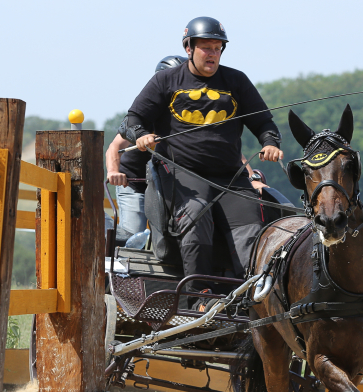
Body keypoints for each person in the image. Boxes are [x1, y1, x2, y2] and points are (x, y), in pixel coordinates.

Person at [117, 16, 283, 304]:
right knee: (196, 214)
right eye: (206, 48)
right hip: (183, 174)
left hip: (230, 176)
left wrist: (270, 143)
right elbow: (135, 118)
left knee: (250, 229)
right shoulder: (165, 80)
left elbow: (264, 123)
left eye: (218, 48)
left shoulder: (237, 81)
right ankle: (199, 295)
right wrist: (141, 135)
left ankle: (253, 297)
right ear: (189, 48)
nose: (212, 54)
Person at [106, 55, 188, 247]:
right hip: (135, 184)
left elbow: (227, 148)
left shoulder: (190, 117)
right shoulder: (144, 115)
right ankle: (103, 228)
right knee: (134, 238)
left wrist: (253, 179)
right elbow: (114, 148)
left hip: (172, 187)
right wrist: (113, 172)